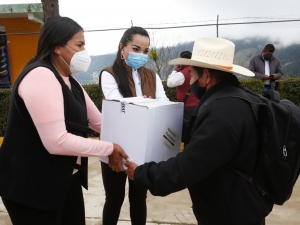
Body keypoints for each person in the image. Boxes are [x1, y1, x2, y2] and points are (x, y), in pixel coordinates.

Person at [125, 37, 274, 225]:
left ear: (207, 76)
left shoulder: (223, 114)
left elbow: (186, 167)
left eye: (193, 76)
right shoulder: (233, 99)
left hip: (229, 214)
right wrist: (156, 107)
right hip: (240, 205)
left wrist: (140, 173)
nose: (192, 81)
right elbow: (201, 137)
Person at [0, 17, 128, 225]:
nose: (85, 51)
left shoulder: (71, 81)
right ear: (58, 47)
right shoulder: (41, 75)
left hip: (64, 179)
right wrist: (108, 148)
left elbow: (101, 123)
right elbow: (56, 141)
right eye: (79, 45)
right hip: (31, 186)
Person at [99, 26, 169, 225]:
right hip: (115, 147)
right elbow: (117, 105)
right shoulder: (109, 74)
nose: (141, 55)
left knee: (139, 198)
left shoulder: (152, 76)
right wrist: (145, 103)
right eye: (136, 49)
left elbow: (163, 103)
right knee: (114, 199)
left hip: (141, 149)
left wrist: (145, 104)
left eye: (145, 51)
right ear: (123, 47)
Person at [167, 51, 199, 121]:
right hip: (197, 105)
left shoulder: (182, 74)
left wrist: (174, 71)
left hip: (187, 107)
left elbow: (169, 83)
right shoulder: (197, 70)